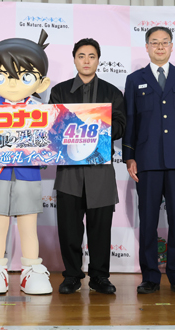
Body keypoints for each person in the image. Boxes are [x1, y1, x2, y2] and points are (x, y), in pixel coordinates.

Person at [122, 26, 175, 295]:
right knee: (147, 219)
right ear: (146, 47)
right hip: (147, 159)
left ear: (171, 46)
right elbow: (130, 120)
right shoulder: (135, 80)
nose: (160, 46)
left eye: (165, 42)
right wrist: (129, 156)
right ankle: (150, 276)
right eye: (154, 42)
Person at [0, 30, 53, 295]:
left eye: (24, 76)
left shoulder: (42, 112)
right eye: (3, 76)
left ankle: (31, 270)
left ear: (41, 83)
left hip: (29, 175)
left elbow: (52, 146)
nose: (14, 83)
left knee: (29, 228)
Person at [49, 38, 126, 295]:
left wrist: (99, 126)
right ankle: (72, 276)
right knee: (69, 229)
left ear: (98, 60)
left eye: (91, 56)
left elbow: (121, 126)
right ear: (74, 59)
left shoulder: (112, 93)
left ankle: (99, 277)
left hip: (100, 171)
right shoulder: (59, 92)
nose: (86, 61)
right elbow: (53, 128)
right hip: (69, 171)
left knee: (100, 230)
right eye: (81, 56)